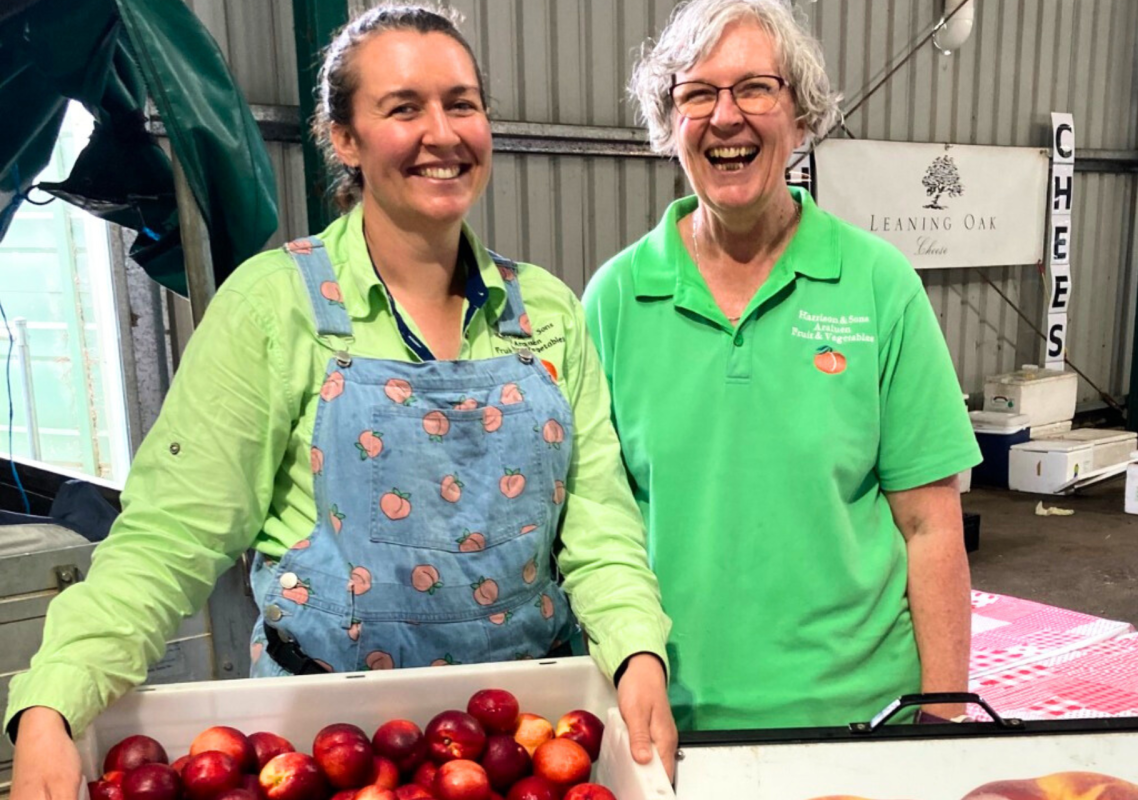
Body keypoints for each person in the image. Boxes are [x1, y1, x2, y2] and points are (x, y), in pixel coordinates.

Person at [7, 5, 676, 796]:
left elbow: (599, 524)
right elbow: (170, 535)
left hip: (514, 744)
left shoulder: (547, 315)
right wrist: (53, 700)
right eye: (403, 108)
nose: (442, 132)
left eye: (461, 103)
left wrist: (637, 654)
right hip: (329, 754)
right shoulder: (275, 308)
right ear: (345, 138)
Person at [583, 0, 982, 731]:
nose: (725, 117)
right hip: (667, 724)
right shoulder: (613, 301)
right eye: (697, 94)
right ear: (670, 125)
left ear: (801, 116)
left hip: (863, 722)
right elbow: (592, 526)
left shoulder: (878, 286)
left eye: (755, 88)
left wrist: (944, 719)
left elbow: (930, 525)